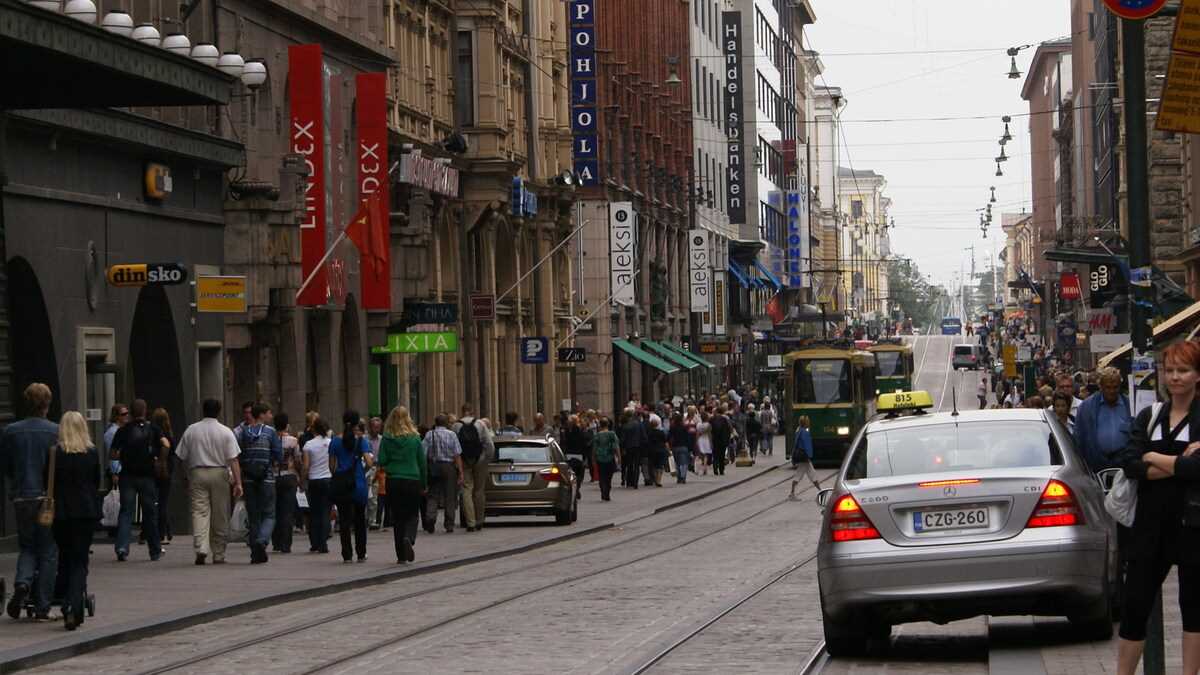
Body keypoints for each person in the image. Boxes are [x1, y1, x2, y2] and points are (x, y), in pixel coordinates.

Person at [1114, 341, 1200, 675]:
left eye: (1184, 370)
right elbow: (1129, 462)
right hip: (1149, 526)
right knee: (1135, 605)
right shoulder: (1150, 416)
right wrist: (1178, 462)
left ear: (1197, 376)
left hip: (1192, 524)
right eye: (1171, 370)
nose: (1176, 378)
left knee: (1193, 608)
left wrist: (1152, 457)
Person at [2, 383, 59, 620]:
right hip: (46, 499)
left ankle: (23, 583)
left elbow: (5, 465)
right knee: (47, 550)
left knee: (27, 546)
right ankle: (43, 605)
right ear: (47, 403)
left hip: (22, 497)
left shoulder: (11, 431)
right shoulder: (55, 431)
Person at [174, 398, 243, 566]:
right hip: (219, 472)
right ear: (219, 411)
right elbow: (233, 459)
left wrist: (183, 476)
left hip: (197, 472)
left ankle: (201, 547)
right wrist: (238, 483)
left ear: (203, 410)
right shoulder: (226, 431)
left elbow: (180, 457)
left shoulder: (191, 430)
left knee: (199, 511)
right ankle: (218, 553)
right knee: (220, 513)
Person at [48, 411, 100, 630]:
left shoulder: (55, 453)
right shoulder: (91, 452)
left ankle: (66, 601)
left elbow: (47, 481)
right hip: (85, 512)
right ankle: (73, 606)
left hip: (61, 514)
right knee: (80, 560)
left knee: (66, 557)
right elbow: (96, 481)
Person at [110, 398, 166, 562]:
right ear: (145, 411)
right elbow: (166, 444)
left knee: (126, 512)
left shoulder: (123, 430)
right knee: (150, 513)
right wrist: (159, 460)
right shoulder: (153, 429)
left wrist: (124, 455)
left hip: (127, 476)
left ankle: (122, 547)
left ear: (132, 413)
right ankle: (155, 550)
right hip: (147, 476)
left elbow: (112, 454)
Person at [378, 406, 427, 563]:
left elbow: (382, 461)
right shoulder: (415, 438)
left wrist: (392, 464)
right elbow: (422, 463)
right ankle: (409, 538)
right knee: (412, 514)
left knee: (398, 518)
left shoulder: (386, 438)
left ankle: (401, 556)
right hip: (412, 479)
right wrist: (424, 484)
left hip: (393, 480)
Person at [236, 403, 282, 564]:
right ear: (261, 415)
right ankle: (261, 541)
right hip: (267, 478)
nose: (271, 416)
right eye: (269, 413)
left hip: (249, 479)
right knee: (269, 514)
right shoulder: (270, 432)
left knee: (254, 515)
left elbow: (238, 454)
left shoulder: (243, 432)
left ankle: (255, 551)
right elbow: (278, 454)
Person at [330, 410, 370, 562]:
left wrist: (339, 475)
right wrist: (362, 469)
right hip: (358, 483)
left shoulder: (335, 441)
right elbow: (370, 462)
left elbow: (331, 466)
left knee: (344, 521)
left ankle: (347, 554)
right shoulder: (361, 441)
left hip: (342, 485)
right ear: (356, 423)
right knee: (360, 519)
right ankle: (361, 553)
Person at [1073, 367, 1130, 472]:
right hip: (1096, 468)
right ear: (1101, 387)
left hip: (1125, 466)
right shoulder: (1087, 408)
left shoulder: (1130, 406)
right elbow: (1079, 439)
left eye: (1115, 387)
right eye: (1108, 387)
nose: (1112, 391)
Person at [454, 404, 493, 533]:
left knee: (466, 489)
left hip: (464, 460)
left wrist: (456, 463)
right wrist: (486, 459)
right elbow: (489, 444)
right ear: (472, 412)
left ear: (462, 412)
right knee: (479, 490)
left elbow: (453, 447)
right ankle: (479, 520)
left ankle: (470, 522)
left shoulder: (456, 425)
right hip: (479, 459)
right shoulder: (480, 424)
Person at [422, 415, 463, 533]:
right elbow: (457, 454)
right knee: (450, 495)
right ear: (446, 423)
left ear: (436, 422)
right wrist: (460, 472)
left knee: (433, 494)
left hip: (434, 466)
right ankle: (449, 524)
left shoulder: (430, 434)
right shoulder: (452, 435)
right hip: (449, 467)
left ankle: (430, 518)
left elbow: (423, 452)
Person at [301, 418, 332, 554]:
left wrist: (303, 481)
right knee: (325, 511)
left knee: (314, 512)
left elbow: (306, 466)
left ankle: (314, 542)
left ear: (313, 429)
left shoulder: (308, 445)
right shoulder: (330, 443)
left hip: (314, 480)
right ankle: (323, 542)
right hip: (327, 479)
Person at [271, 413, 300, 554]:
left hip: (273, 477)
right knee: (287, 511)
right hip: (289, 476)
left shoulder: (270, 439)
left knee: (274, 510)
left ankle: (276, 542)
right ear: (287, 424)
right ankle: (286, 544)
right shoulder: (293, 441)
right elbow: (297, 459)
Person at [150, 408, 176, 546]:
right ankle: (165, 532)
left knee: (152, 501)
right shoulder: (169, 435)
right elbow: (173, 452)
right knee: (163, 501)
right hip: (167, 470)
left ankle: (157, 532)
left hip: (154, 468)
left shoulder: (151, 433)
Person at [592, 418, 621, 501]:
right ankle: (607, 492)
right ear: (608, 424)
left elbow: (594, 448)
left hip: (600, 458)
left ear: (600, 425)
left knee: (601, 476)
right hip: (610, 458)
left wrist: (593, 459)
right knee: (609, 476)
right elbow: (616, 446)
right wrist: (619, 457)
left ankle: (603, 491)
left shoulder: (597, 435)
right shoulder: (612, 434)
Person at [618, 411, 647, 488]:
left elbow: (622, 440)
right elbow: (644, 436)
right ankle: (635, 483)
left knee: (629, 464)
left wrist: (622, 448)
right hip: (638, 447)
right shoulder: (639, 424)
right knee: (637, 465)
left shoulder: (625, 426)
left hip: (628, 447)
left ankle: (629, 482)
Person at [792, 415, 821, 490]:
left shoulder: (798, 431)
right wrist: (809, 456)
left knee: (810, 474)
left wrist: (793, 456)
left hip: (801, 456)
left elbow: (795, 444)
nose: (809, 423)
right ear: (805, 423)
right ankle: (792, 493)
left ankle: (820, 490)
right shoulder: (805, 432)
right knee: (801, 475)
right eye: (808, 421)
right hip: (804, 457)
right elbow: (807, 445)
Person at [364, 417, 383, 530]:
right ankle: (364, 518)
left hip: (377, 467)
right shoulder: (365, 439)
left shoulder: (382, 439)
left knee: (374, 495)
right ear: (370, 427)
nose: (376, 429)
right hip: (365, 468)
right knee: (365, 494)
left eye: (378, 427)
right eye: (374, 427)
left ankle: (373, 520)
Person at [668, 413, 692, 484]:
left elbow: (669, 437)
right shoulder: (684, 427)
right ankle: (683, 476)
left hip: (675, 447)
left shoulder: (672, 427)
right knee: (684, 463)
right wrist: (690, 448)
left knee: (677, 463)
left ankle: (679, 477)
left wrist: (670, 446)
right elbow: (688, 438)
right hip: (684, 446)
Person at [710, 407, 732, 476]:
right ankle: (721, 469)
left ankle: (715, 468)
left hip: (715, 440)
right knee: (721, 456)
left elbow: (710, 430)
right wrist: (727, 439)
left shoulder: (712, 420)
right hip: (723, 440)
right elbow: (729, 429)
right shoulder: (724, 419)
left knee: (715, 455)